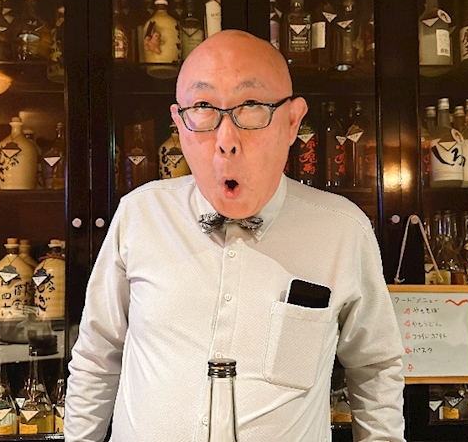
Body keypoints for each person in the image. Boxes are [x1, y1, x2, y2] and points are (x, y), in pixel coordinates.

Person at [66, 29, 404, 442]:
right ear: (180, 123)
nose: (226, 141)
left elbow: (374, 368)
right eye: (203, 108)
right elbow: (97, 356)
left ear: (293, 121)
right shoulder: (140, 214)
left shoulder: (342, 229)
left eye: (252, 106)